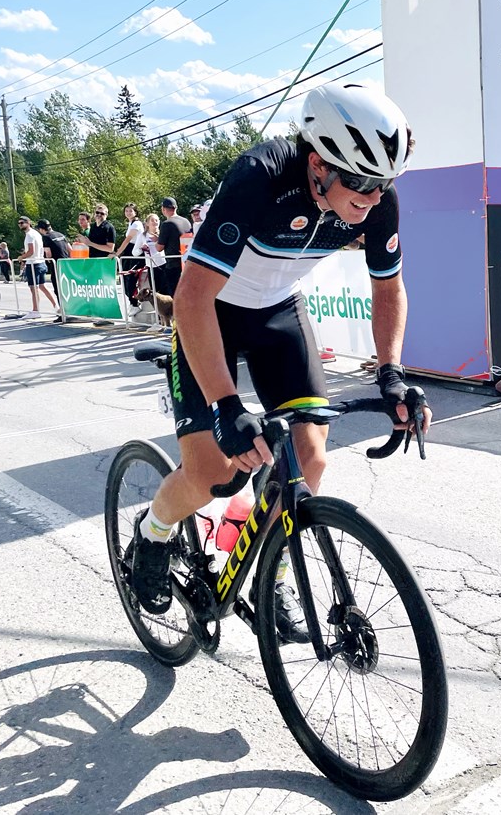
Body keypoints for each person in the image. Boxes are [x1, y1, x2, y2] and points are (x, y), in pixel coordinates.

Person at [130, 84, 432, 640]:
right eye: (361, 182)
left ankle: (270, 570)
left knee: (309, 457)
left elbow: (389, 288)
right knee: (215, 475)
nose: (372, 197)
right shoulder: (259, 179)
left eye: (383, 183)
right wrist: (225, 404)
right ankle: (151, 533)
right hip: (210, 315)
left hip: (277, 316)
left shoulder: (377, 202)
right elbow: (192, 300)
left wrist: (391, 372)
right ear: (318, 164)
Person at [17, 215, 58, 318]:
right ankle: (56, 306)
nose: (20, 225)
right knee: (42, 286)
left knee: (33, 288)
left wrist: (22, 257)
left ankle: (36, 311)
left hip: (34, 263)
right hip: (40, 262)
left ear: (28, 223)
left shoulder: (30, 235)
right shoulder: (36, 234)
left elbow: (31, 251)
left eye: (22, 223)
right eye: (19, 223)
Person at [155, 197, 191, 297]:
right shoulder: (186, 221)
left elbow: (159, 247)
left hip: (173, 265)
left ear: (163, 209)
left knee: (175, 296)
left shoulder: (167, 224)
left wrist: (156, 242)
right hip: (186, 263)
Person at [114, 203, 145, 310]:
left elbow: (128, 240)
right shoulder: (130, 223)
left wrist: (117, 253)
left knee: (130, 277)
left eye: (130, 211)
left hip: (135, 252)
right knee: (124, 277)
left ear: (135, 212)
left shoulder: (137, 224)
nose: (128, 213)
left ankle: (135, 302)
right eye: (126, 211)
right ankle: (133, 302)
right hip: (129, 252)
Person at [36, 219, 71, 303]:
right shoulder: (61, 234)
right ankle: (71, 309)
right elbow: (70, 249)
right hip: (66, 264)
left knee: (58, 289)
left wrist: (47, 261)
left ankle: (63, 312)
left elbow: (48, 253)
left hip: (56, 265)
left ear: (41, 229)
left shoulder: (46, 237)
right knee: (67, 288)